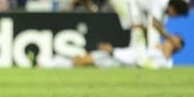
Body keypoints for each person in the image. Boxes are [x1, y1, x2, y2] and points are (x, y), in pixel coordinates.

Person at [109, 0, 189, 48]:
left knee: (142, 27)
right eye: (176, 14)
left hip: (133, 5)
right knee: (138, 26)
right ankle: (134, 54)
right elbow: (154, 23)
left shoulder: (165, 11)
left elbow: (160, 27)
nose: (174, 17)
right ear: (173, 9)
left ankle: (136, 53)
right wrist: (171, 39)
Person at [40, 34, 185, 69]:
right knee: (83, 60)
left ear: (176, 46)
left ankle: (52, 64)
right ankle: (55, 62)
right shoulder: (157, 51)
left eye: (173, 40)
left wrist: (113, 52)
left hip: (119, 60)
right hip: (119, 55)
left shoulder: (165, 62)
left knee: (83, 61)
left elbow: (140, 61)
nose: (169, 39)